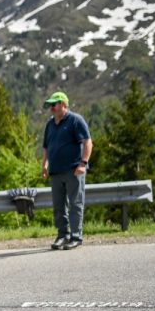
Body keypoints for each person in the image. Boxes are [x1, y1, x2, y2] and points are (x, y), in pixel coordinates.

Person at [42, 91, 93, 250]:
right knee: (58, 206)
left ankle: (76, 236)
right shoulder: (50, 124)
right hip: (56, 172)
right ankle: (62, 235)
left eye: (54, 104)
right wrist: (44, 165)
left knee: (75, 204)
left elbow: (88, 142)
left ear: (64, 104)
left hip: (73, 170)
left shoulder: (76, 120)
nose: (51, 107)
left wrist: (83, 163)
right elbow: (46, 147)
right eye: (50, 105)